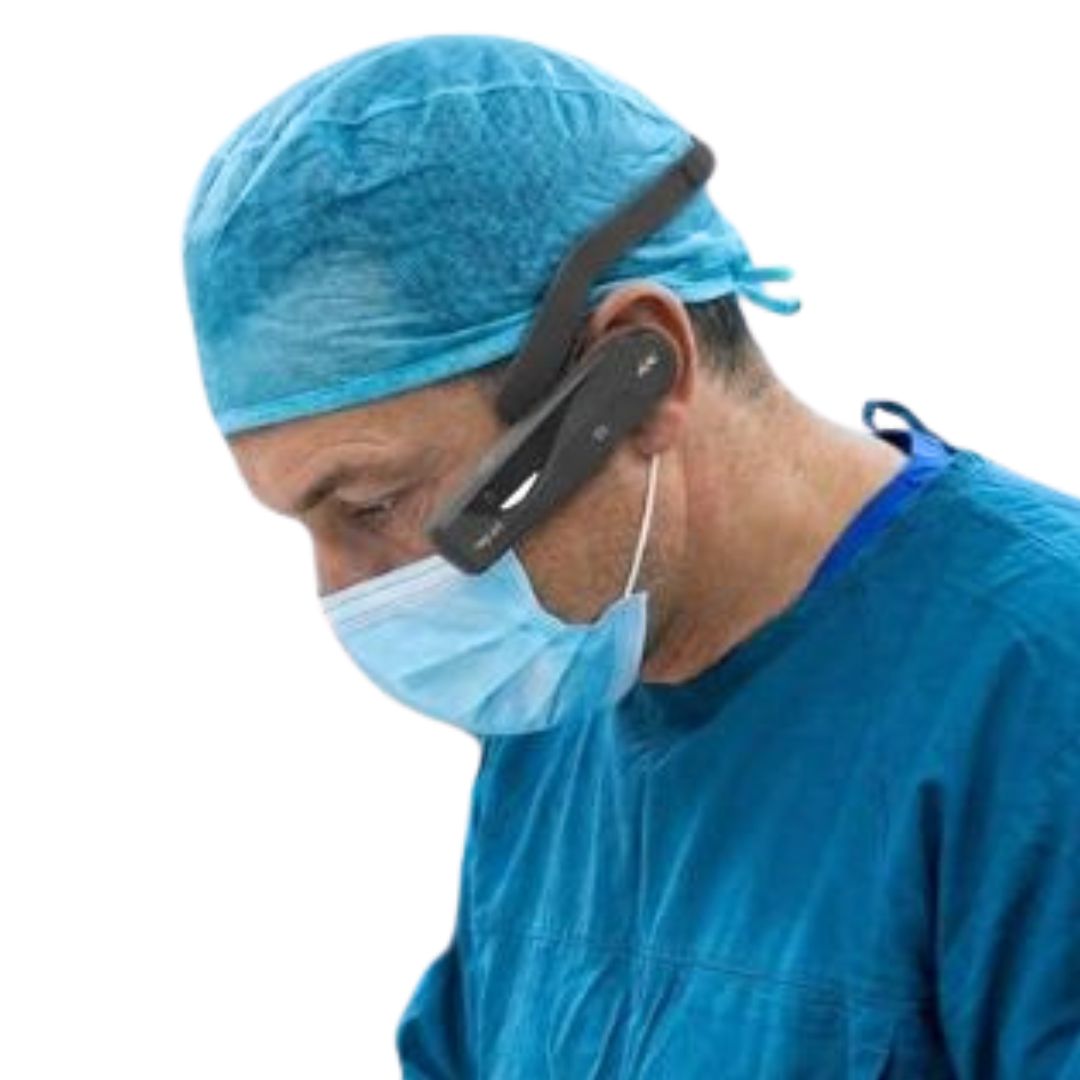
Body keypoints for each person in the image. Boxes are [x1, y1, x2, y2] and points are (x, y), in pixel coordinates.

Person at [182, 33, 1080, 1079]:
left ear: (638, 378)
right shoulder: (566, 687)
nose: (348, 591)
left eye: (373, 504)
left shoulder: (1035, 689)